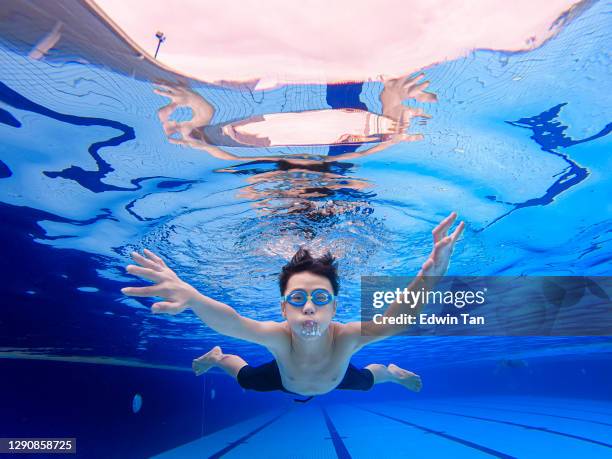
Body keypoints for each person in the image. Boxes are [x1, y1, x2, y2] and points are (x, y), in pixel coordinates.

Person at [121, 212, 464, 397]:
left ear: (334, 308)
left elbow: (395, 320)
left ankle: (392, 372)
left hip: (336, 378)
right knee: (244, 378)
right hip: (285, 379)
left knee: (369, 379)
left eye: (320, 298)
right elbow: (234, 323)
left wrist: (430, 275)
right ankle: (216, 357)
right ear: (284, 308)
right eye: (298, 298)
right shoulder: (279, 336)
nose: (309, 308)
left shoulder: (346, 337)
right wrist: (194, 298)